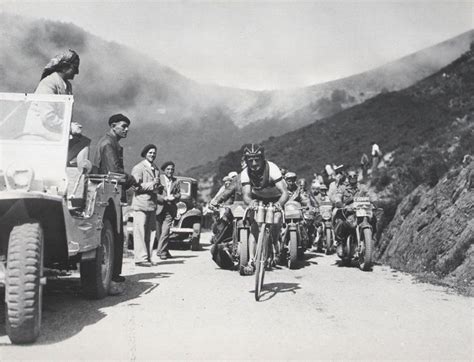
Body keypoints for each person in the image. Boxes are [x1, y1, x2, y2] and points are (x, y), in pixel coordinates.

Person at [93, 113, 136, 285]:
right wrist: (132, 180)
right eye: (123, 126)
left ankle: (112, 274)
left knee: (116, 235)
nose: (126, 129)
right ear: (113, 126)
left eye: (127, 126)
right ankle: (112, 276)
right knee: (116, 235)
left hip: (110, 193)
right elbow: (114, 172)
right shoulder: (108, 143)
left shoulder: (110, 142)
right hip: (109, 193)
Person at [240, 143, 289, 275]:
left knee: (277, 219)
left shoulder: (272, 168)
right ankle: (251, 260)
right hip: (258, 200)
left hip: (276, 199)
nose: (254, 163)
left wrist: (279, 204)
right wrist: (251, 203)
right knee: (254, 226)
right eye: (250, 161)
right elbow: (246, 194)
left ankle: (274, 243)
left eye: (257, 159)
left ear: (262, 158)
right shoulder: (245, 173)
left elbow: (284, 192)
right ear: (246, 161)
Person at [25, 49, 81, 138]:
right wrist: (68, 127)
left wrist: (71, 125)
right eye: (74, 67)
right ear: (64, 67)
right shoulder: (48, 83)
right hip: (39, 134)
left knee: (81, 141)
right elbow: (47, 117)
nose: (77, 72)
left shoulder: (67, 85)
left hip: (53, 131)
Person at [131, 144, 161, 267]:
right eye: (150, 152)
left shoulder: (156, 168)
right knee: (140, 232)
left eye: (154, 153)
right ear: (145, 154)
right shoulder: (138, 168)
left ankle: (147, 257)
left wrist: (158, 187)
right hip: (141, 204)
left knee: (151, 232)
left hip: (152, 205)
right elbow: (135, 186)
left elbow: (156, 186)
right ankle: (140, 259)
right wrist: (152, 185)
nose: (152, 155)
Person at [333, 170, 376, 253]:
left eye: (354, 176)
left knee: (373, 218)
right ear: (347, 178)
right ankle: (342, 242)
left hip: (362, 210)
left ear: (357, 177)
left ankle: (371, 237)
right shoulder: (343, 188)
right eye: (350, 177)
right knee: (344, 223)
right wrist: (340, 204)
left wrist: (375, 201)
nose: (352, 178)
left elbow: (370, 193)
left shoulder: (362, 187)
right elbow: (337, 196)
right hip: (349, 212)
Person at [155, 161, 181, 260]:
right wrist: (164, 198)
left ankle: (160, 251)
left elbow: (179, 195)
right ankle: (165, 251)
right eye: (168, 169)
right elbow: (154, 194)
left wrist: (173, 197)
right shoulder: (159, 179)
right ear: (164, 170)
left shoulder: (176, 181)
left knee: (165, 231)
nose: (170, 171)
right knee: (159, 233)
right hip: (159, 208)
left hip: (170, 210)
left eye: (172, 169)